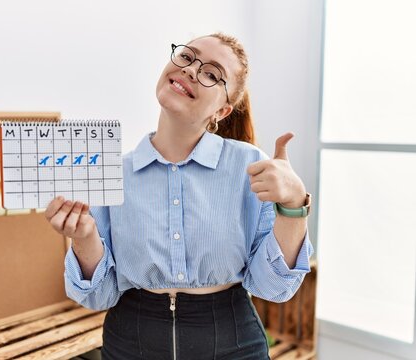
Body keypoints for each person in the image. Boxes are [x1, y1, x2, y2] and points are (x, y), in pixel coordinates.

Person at [45, 32, 313, 360]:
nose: (190, 70)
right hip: (130, 343)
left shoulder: (251, 166)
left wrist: (293, 205)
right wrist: (84, 238)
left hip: (233, 344)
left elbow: (274, 287)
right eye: (187, 57)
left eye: (212, 74)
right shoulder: (113, 172)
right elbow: (98, 296)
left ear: (223, 111)